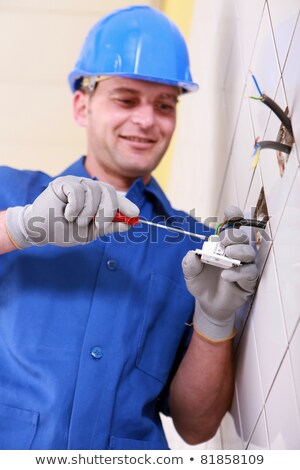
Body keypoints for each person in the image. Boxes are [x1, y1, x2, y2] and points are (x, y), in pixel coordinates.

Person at [0, 6, 258, 450]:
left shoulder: (193, 244)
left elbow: (197, 428)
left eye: (164, 105)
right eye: (126, 99)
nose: (146, 120)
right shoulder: (10, 191)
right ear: (83, 105)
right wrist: (20, 228)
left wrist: (214, 321)